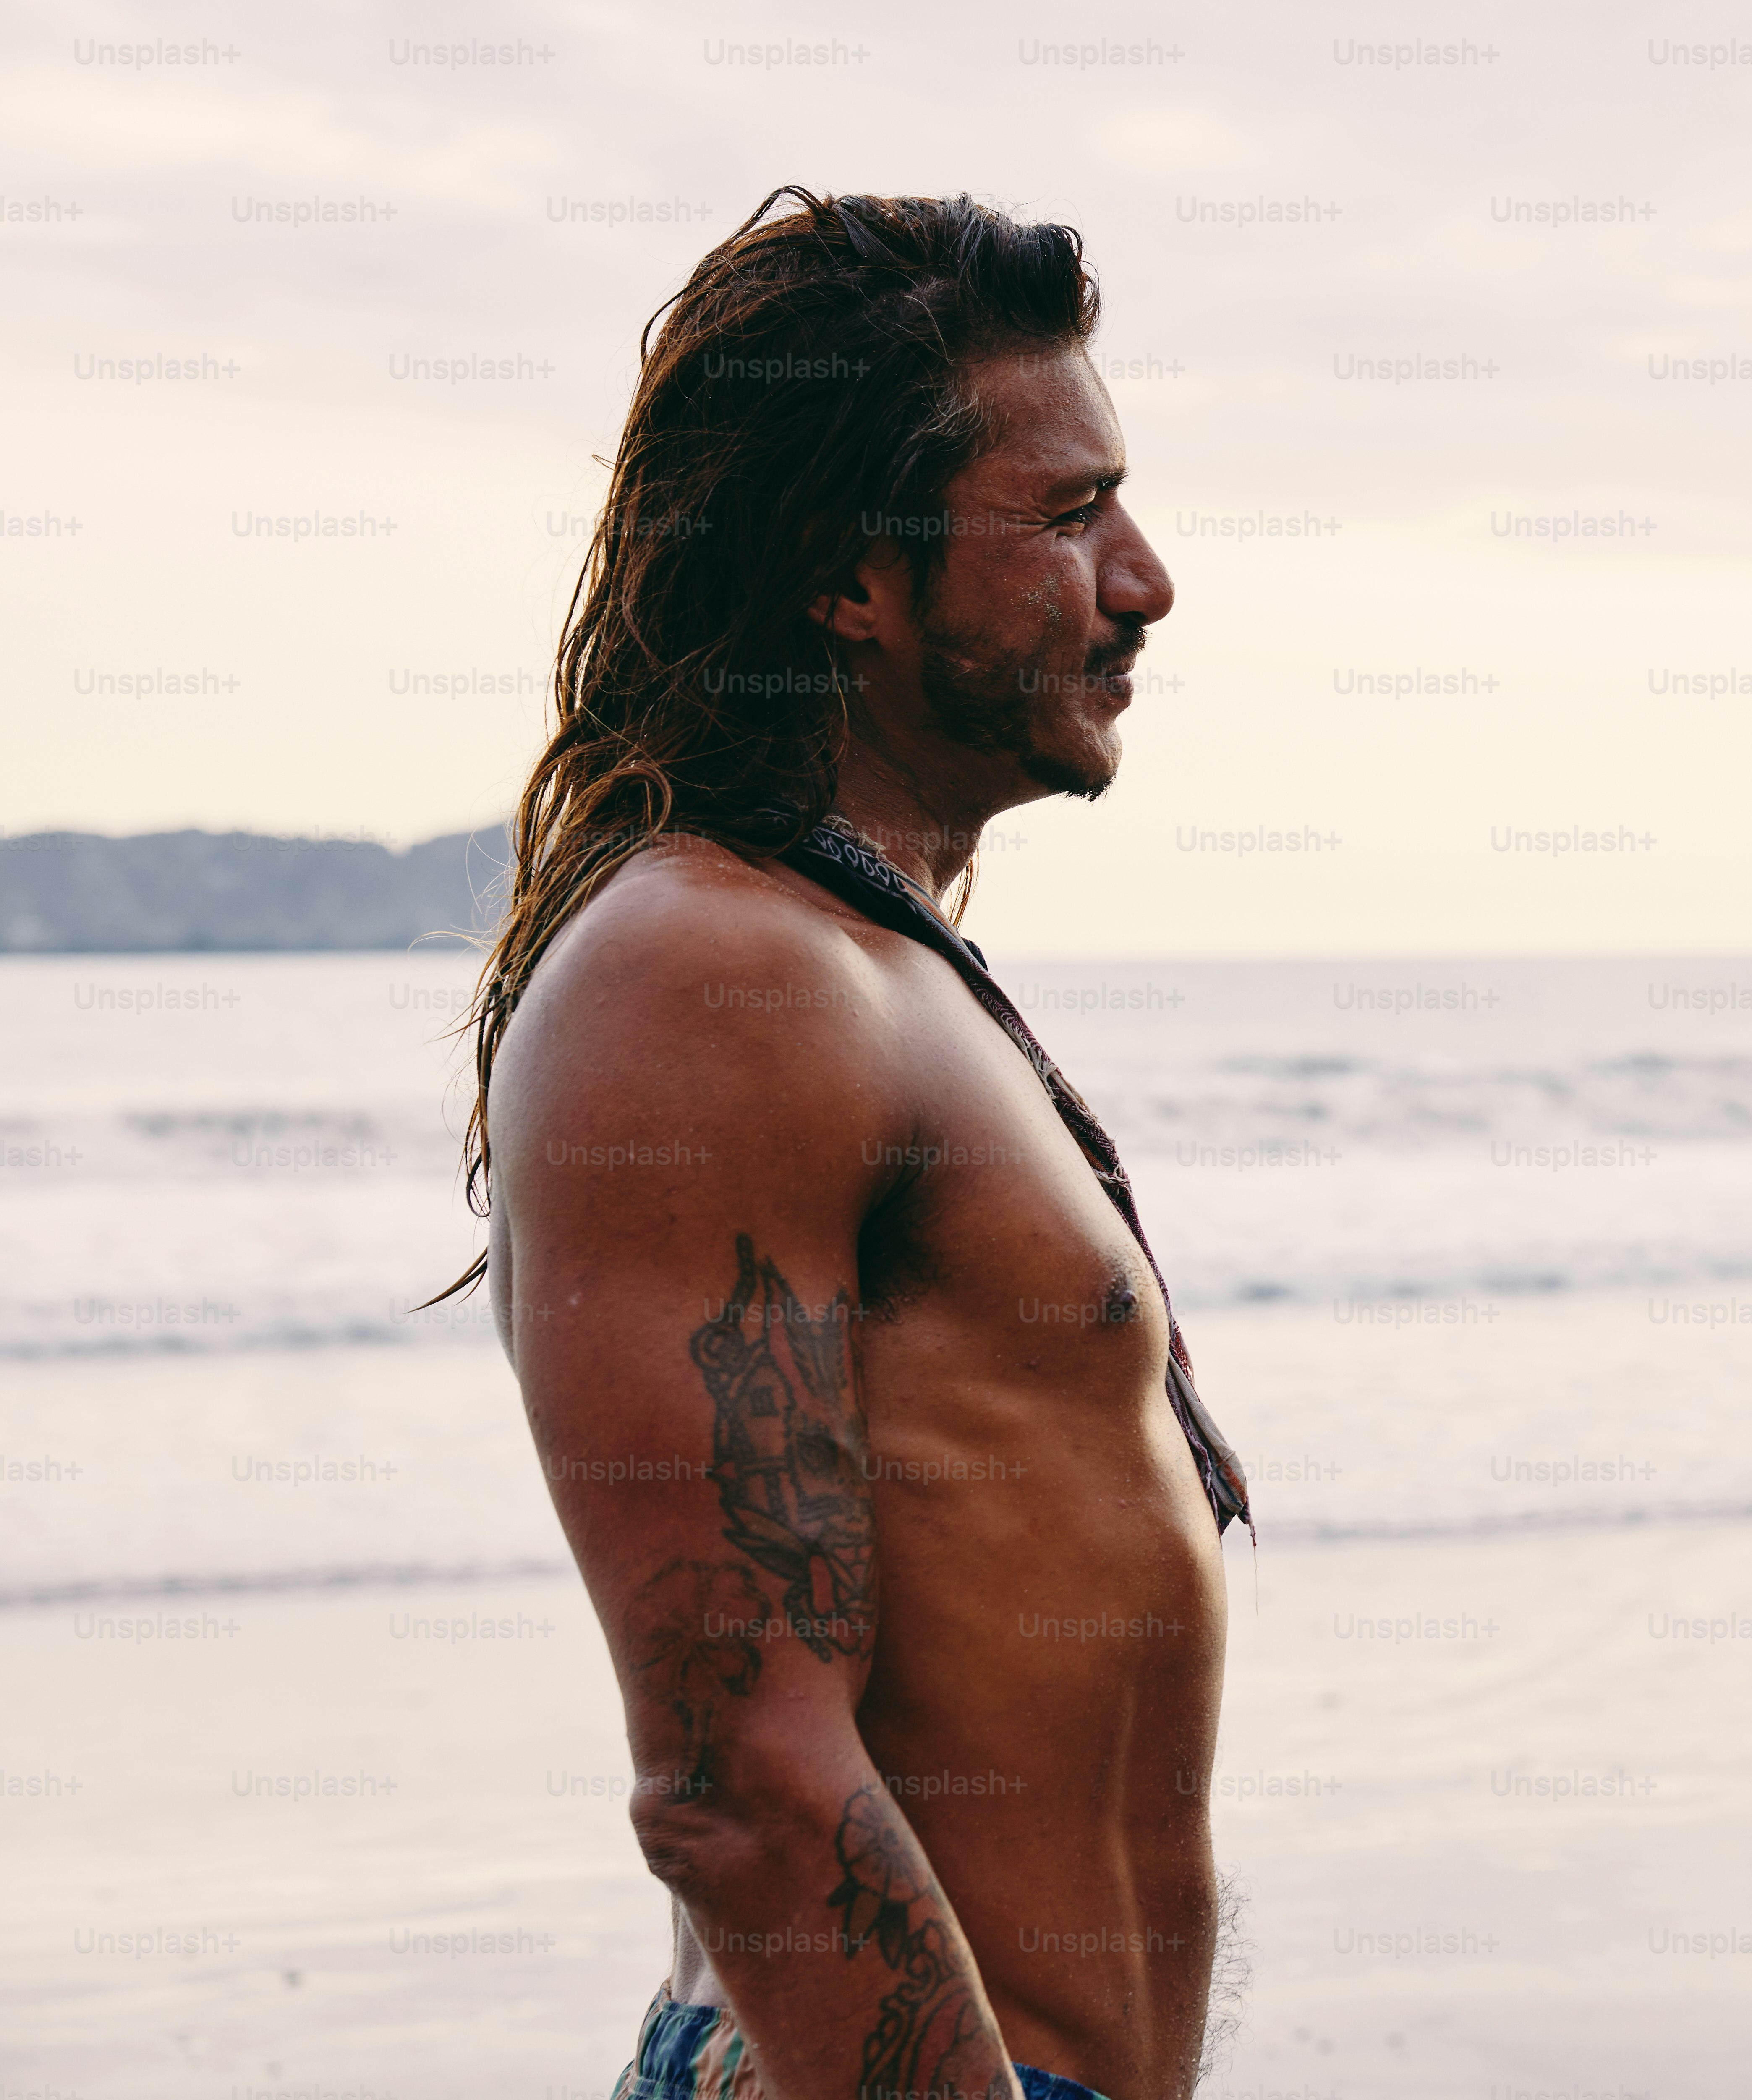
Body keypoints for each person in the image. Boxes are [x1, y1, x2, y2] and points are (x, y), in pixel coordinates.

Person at [442, 188, 1247, 2100]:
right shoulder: (713, 979)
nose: (1143, 580)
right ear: (844, 577)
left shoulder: (868, 969)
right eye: (1065, 518)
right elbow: (735, 1775)